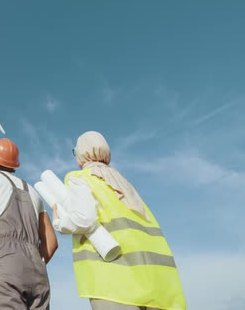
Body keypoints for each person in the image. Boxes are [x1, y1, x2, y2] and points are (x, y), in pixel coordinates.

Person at [54, 131, 185, 310]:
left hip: (114, 281)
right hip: (156, 284)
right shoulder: (125, 185)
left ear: (82, 153)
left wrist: (60, 221)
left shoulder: (79, 178)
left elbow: (84, 219)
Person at [0, 138, 57, 310]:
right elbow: (51, 243)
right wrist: (35, 262)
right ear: (15, 166)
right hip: (37, 270)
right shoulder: (34, 192)